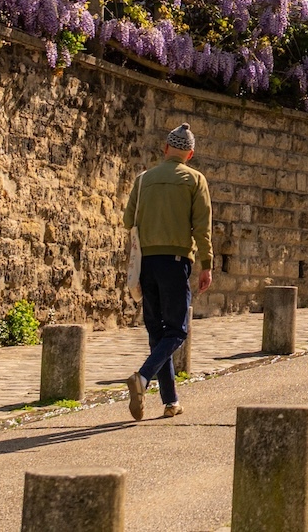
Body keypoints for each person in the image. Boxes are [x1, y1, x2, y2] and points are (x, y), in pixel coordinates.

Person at [122, 122, 213, 420]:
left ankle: (170, 400)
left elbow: (127, 220)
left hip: (147, 261)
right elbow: (202, 227)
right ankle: (144, 377)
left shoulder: (144, 178)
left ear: (165, 149)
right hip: (175, 261)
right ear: (190, 154)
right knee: (177, 330)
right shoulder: (195, 180)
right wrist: (207, 265)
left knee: (157, 331)